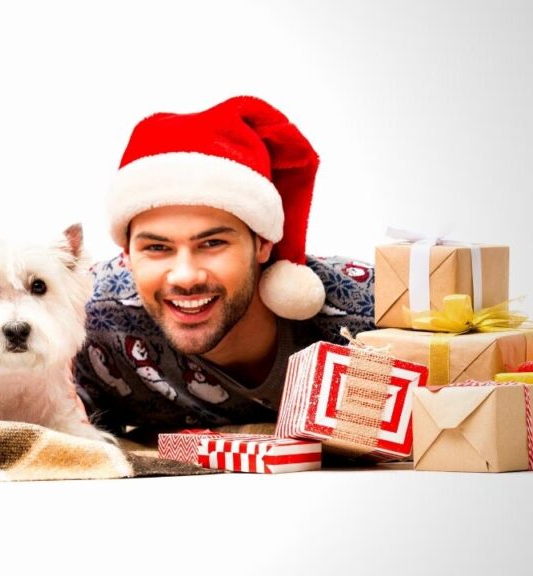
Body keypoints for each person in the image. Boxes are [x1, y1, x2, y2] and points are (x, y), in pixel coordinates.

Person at [74, 96, 375, 435]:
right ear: (126, 255)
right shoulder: (84, 320)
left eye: (212, 243)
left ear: (263, 243)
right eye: (157, 248)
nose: (185, 276)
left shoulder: (369, 315)